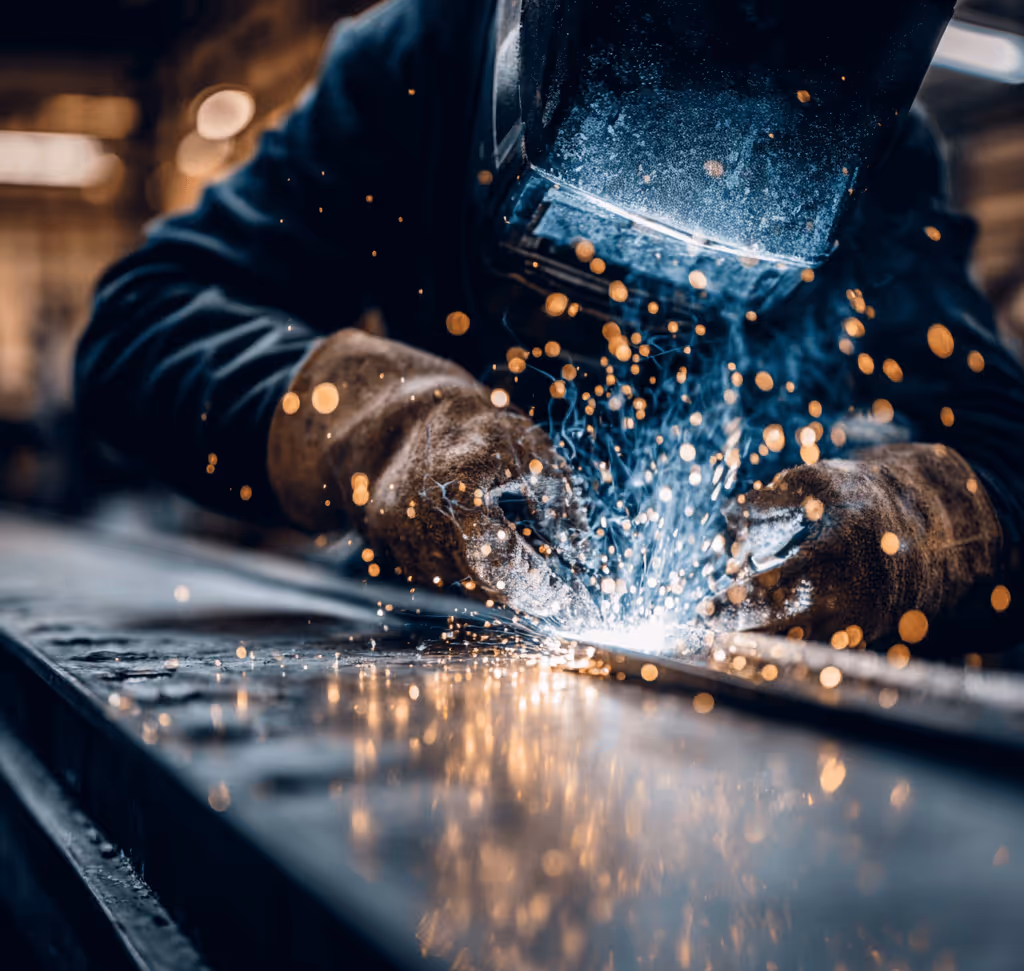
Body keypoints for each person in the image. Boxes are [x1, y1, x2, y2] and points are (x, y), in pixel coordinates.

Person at [77, 0, 1024, 651]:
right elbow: (139, 322)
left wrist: (906, 531)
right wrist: (386, 431)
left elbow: (1004, 447)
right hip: (425, 634)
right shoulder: (420, 65)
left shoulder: (876, 158)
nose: (636, 290)